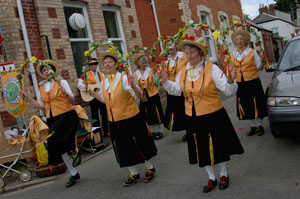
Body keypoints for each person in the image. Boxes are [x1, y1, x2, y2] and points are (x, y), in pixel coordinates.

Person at [161, 37, 244, 193]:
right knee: (201, 147)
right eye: (186, 53)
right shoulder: (183, 71)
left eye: (192, 52)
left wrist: (232, 81)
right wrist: (166, 82)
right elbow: (177, 90)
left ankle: (224, 174)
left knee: (218, 144)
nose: (189, 56)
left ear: (200, 53)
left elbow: (227, 90)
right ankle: (211, 177)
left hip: (213, 113)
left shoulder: (211, 68)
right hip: (192, 116)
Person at [89, 52, 158, 187]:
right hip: (115, 121)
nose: (107, 64)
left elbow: (138, 96)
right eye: (105, 62)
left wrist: (133, 85)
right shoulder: (104, 82)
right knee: (122, 148)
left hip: (131, 118)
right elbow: (104, 100)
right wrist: (93, 94)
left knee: (138, 144)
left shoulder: (124, 78)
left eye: (110, 62)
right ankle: (134, 173)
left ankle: (150, 168)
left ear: (116, 64)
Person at [22, 60, 80, 188]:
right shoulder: (42, 86)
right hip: (52, 119)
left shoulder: (61, 82)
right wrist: (28, 98)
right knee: (59, 148)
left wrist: (66, 94)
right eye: (43, 70)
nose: (46, 72)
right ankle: (74, 173)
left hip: (66, 116)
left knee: (54, 140)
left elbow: (72, 100)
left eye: (48, 69)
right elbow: (41, 106)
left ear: (53, 70)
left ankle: (73, 150)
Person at [230, 29, 268, 136]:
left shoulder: (251, 52)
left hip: (252, 81)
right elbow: (233, 69)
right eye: (237, 39)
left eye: (241, 39)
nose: (239, 41)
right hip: (240, 83)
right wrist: (232, 78)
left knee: (255, 103)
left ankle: (259, 126)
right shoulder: (233, 54)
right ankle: (252, 126)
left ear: (246, 40)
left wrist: (262, 59)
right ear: (235, 42)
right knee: (245, 104)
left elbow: (259, 68)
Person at [134, 54, 164, 140]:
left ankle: (159, 131)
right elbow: (135, 85)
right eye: (143, 63)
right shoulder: (135, 74)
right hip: (143, 96)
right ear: (139, 64)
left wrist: (159, 80)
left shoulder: (151, 70)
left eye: (145, 62)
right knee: (146, 113)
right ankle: (151, 131)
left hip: (153, 94)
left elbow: (156, 81)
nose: (145, 64)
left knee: (155, 112)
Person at [162, 39, 187, 141]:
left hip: (183, 87)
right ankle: (185, 128)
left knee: (186, 109)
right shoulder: (166, 61)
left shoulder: (183, 57)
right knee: (175, 110)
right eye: (167, 46)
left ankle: (189, 131)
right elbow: (164, 75)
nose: (170, 48)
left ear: (176, 46)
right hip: (172, 90)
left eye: (171, 45)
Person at [78, 58, 110, 137]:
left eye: (95, 64)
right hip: (92, 97)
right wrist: (87, 88)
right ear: (89, 66)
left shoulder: (101, 74)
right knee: (95, 115)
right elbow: (79, 84)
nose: (93, 66)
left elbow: (105, 83)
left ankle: (106, 131)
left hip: (100, 96)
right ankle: (97, 133)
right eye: (91, 64)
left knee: (104, 114)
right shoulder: (86, 75)